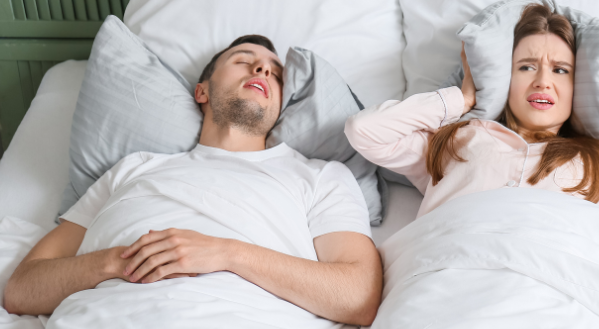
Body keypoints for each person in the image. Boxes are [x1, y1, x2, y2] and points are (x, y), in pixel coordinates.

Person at [4, 35, 382, 327]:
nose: (263, 71)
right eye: (243, 62)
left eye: (276, 73)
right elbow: (22, 290)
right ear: (202, 90)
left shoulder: (319, 176)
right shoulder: (133, 168)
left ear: (281, 105)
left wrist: (226, 254)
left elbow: (358, 296)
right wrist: (120, 263)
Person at [345, 3, 599, 217]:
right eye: (525, 67)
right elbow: (364, 130)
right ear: (506, 78)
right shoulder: (451, 144)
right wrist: (463, 99)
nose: (542, 81)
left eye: (561, 70)